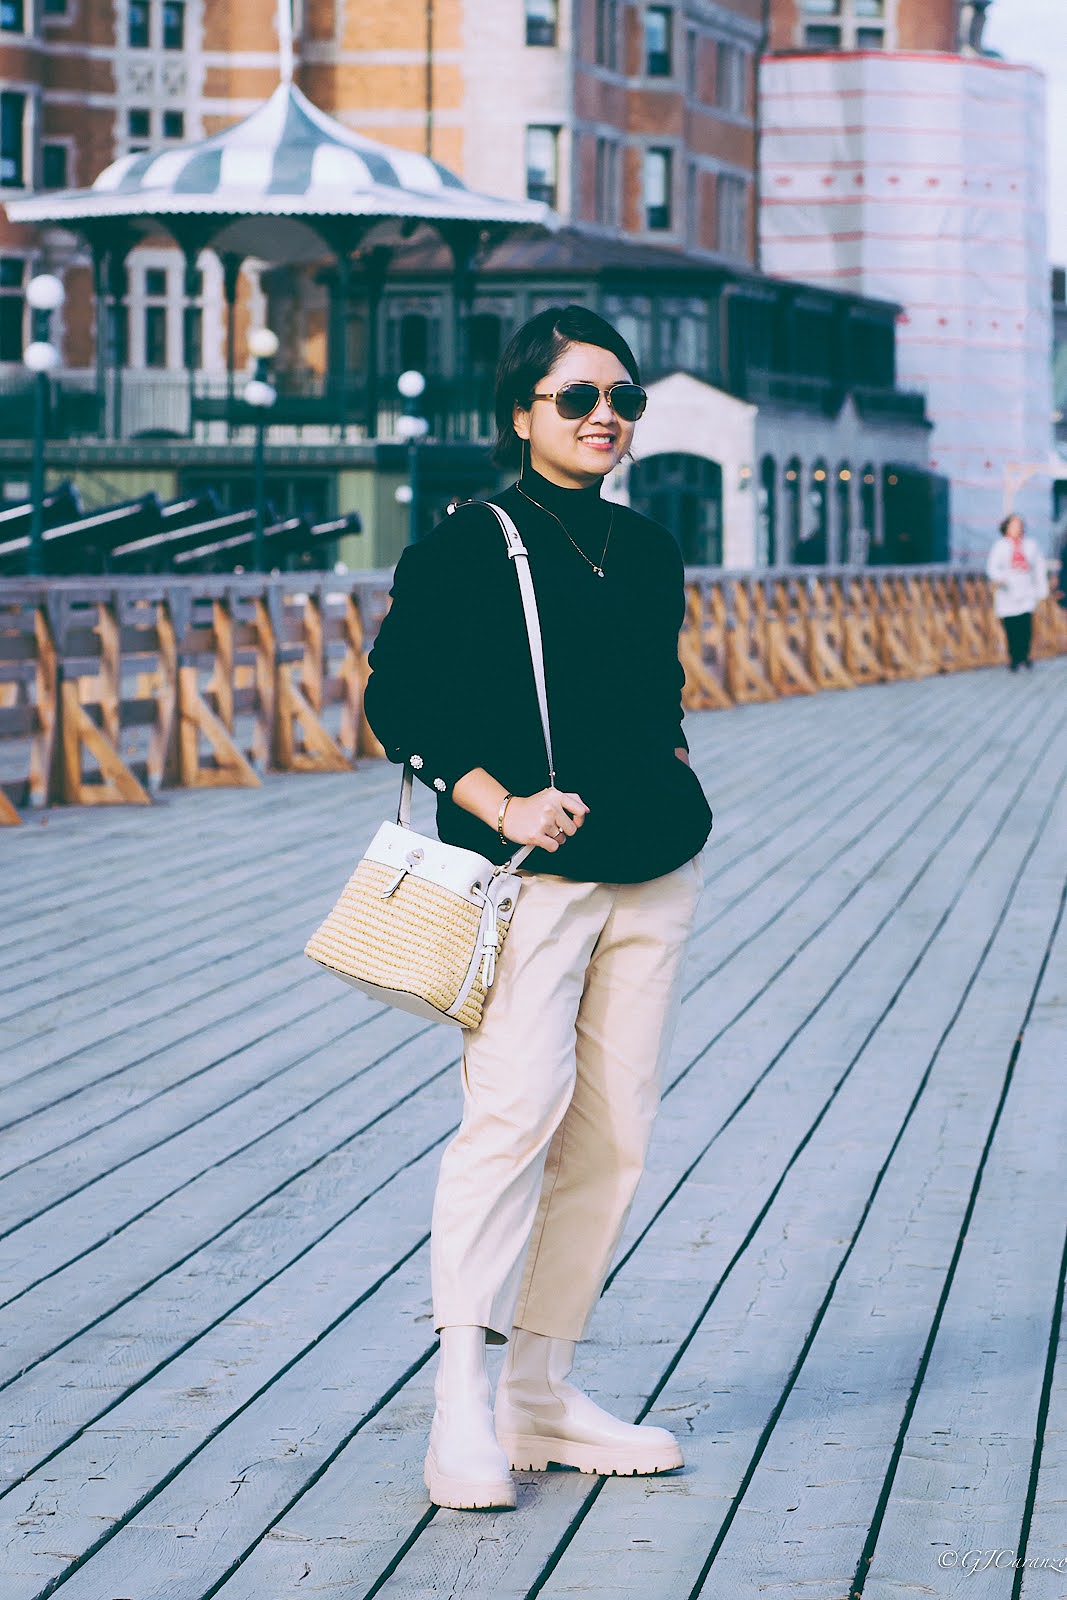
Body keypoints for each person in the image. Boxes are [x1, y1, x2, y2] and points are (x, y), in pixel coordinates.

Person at [363, 304, 714, 1512]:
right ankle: (459, 1402)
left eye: (622, 397)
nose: (604, 415)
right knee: (510, 1121)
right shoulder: (472, 540)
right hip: (532, 881)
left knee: (613, 1132)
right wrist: (500, 801)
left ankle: (542, 1394)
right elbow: (397, 698)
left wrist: (667, 759)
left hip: (653, 866)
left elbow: (654, 686)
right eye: (576, 398)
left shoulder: (652, 547)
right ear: (522, 413)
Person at [986, 512, 1048, 671]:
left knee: (1025, 625)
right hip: (1008, 590)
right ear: (1006, 528)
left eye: (1019, 525)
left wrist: (1042, 589)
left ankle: (1025, 655)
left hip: (1026, 587)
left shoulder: (1031, 545)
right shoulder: (1000, 546)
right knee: (1011, 626)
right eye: (1013, 525)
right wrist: (999, 578)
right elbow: (992, 567)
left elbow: (1039, 568)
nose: (1017, 529)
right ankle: (1014, 657)